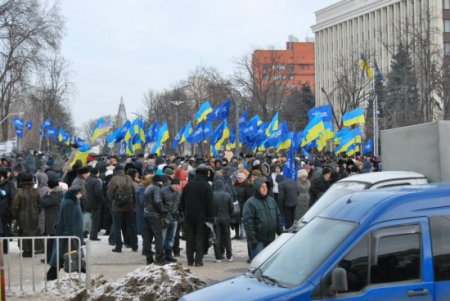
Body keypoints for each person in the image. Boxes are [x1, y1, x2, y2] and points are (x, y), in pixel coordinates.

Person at [46, 185, 84, 281]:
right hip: (69, 235)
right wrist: (70, 233)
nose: (81, 195)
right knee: (66, 256)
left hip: (69, 234)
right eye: (80, 193)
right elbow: (68, 219)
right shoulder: (70, 203)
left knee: (67, 256)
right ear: (75, 194)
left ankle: (83, 273)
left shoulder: (70, 202)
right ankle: (51, 277)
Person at [180, 165, 214, 267]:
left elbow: (182, 201)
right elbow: (210, 203)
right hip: (202, 217)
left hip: (189, 216)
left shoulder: (188, 185)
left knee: (189, 238)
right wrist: (211, 216)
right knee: (200, 238)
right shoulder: (207, 186)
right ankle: (198, 261)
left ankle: (190, 261)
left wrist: (184, 211)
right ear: (205, 174)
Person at [243, 178, 283, 260]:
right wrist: (253, 241)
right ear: (257, 188)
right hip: (258, 242)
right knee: (258, 264)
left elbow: (278, 218)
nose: (264, 188)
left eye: (266, 186)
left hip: (271, 240)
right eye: (262, 187)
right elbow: (248, 223)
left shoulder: (271, 201)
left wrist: (282, 234)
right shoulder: (250, 203)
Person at [107, 165, 137, 253]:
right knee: (131, 227)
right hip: (129, 206)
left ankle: (118, 247)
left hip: (117, 207)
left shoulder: (114, 179)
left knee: (117, 227)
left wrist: (112, 201)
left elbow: (110, 193)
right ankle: (134, 245)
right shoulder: (129, 178)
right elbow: (134, 191)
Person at [11, 173, 42, 257]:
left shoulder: (19, 192)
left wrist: (14, 216)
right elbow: (40, 204)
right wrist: (37, 211)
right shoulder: (36, 191)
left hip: (22, 216)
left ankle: (26, 250)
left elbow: (15, 206)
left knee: (24, 232)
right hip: (34, 215)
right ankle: (32, 249)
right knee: (33, 232)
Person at [143, 174, 167, 265]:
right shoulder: (156, 188)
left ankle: (148, 258)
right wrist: (163, 210)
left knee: (147, 237)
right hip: (154, 215)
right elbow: (157, 201)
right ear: (159, 181)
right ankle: (159, 258)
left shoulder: (148, 187)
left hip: (146, 214)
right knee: (158, 237)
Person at [40, 178, 63, 262]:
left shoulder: (54, 195)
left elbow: (43, 202)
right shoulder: (59, 192)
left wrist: (47, 193)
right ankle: (51, 258)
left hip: (53, 220)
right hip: (55, 219)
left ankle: (50, 258)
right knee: (53, 241)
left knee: (52, 242)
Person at [212, 179, 234, 262]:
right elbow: (231, 208)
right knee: (227, 237)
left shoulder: (212, 195)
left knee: (216, 237)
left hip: (215, 218)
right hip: (226, 218)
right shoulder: (227, 195)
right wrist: (229, 215)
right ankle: (229, 256)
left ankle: (218, 257)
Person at [160, 178, 181, 263]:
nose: (176, 186)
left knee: (171, 237)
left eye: (178, 185)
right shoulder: (163, 191)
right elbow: (160, 203)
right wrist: (164, 213)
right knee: (163, 237)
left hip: (174, 217)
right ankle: (161, 254)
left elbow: (179, 205)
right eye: (175, 184)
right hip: (165, 217)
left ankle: (168, 254)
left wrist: (180, 215)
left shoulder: (179, 193)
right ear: (171, 184)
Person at [84, 167, 104, 241]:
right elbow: (98, 192)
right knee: (95, 220)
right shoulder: (97, 181)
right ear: (96, 173)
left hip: (87, 202)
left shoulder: (87, 180)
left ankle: (85, 233)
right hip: (95, 203)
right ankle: (93, 236)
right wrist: (101, 200)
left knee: (87, 218)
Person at [0, 169, 16, 253]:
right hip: (4, 209)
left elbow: (13, 197)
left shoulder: (9, 184)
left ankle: (4, 249)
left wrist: (11, 210)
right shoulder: (9, 184)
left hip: (5, 211)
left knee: (5, 231)